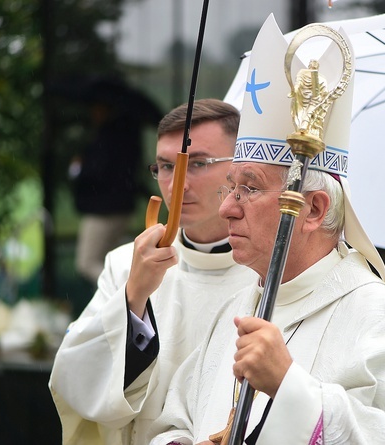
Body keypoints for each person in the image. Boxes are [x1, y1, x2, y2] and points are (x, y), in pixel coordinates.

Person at [148, 15, 385, 444]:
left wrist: (290, 387)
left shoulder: (379, 319)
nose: (229, 208)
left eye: (249, 188)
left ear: (314, 209)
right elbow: (174, 422)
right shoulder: (238, 307)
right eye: (229, 187)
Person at [49, 99, 259, 444]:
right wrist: (134, 297)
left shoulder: (271, 273)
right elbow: (77, 381)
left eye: (199, 164)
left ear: (240, 169)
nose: (177, 184)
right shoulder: (124, 265)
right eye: (164, 166)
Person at [69, 75, 163, 284]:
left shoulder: (112, 136)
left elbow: (99, 172)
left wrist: (80, 167)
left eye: (97, 106)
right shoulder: (122, 133)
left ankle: (123, 292)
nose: (93, 112)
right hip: (118, 206)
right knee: (108, 260)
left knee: (87, 263)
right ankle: (120, 298)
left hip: (105, 208)